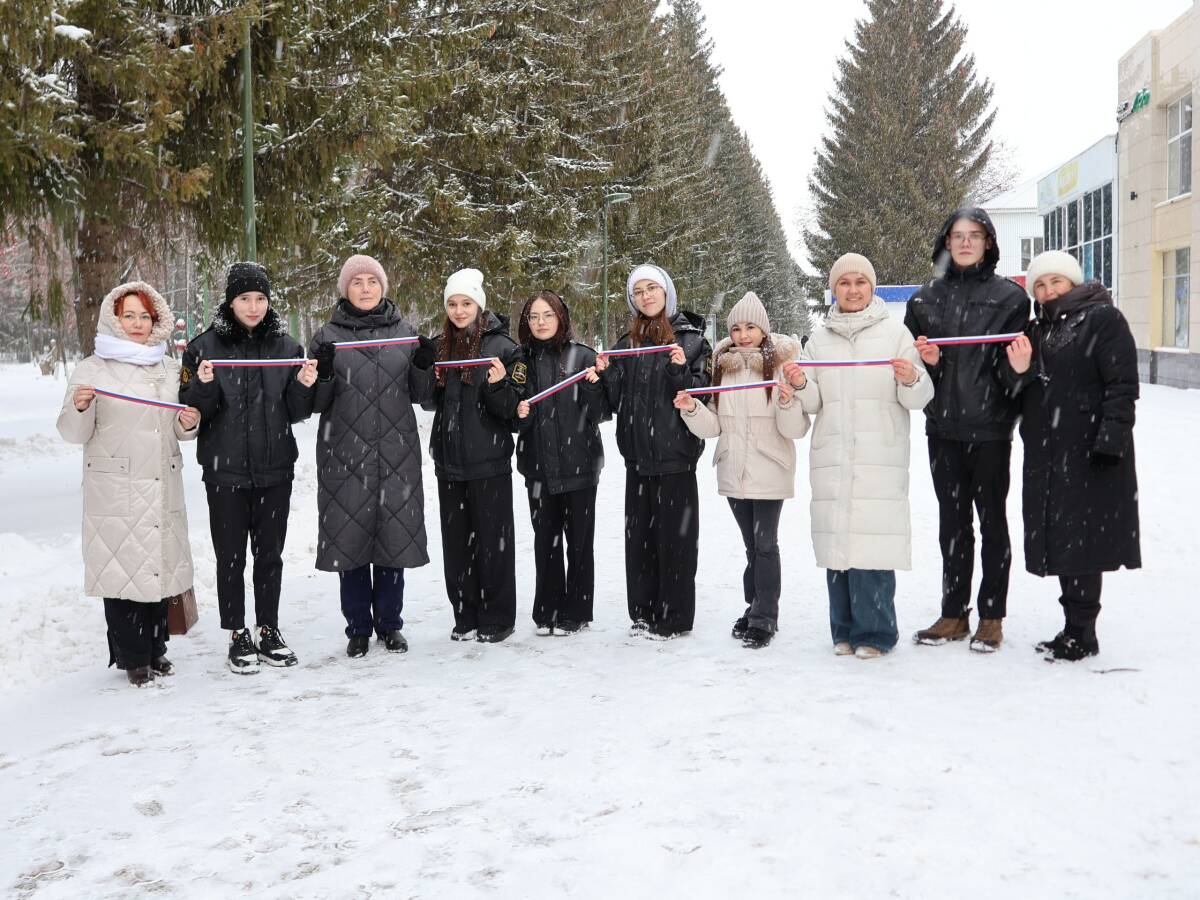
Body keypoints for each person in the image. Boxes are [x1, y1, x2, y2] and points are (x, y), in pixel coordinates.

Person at [783, 254, 933, 659]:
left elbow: (919, 397)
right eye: (844, 283)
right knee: (838, 546)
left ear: (872, 287)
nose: (852, 290)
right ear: (834, 289)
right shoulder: (819, 340)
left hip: (878, 453)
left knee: (872, 545)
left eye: (860, 282)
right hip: (833, 453)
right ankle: (844, 630)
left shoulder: (895, 334)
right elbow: (814, 402)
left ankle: (877, 633)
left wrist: (911, 377)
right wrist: (800, 382)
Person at [57, 281, 201, 686]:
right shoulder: (92, 368)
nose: (137, 324)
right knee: (122, 571)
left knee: (157, 568)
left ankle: (156, 648)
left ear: (156, 321)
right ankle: (132, 657)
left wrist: (188, 422)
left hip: (160, 480)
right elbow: (71, 431)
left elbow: (178, 426)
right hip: (116, 487)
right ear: (113, 319)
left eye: (145, 316)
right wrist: (80, 407)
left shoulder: (168, 366)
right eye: (129, 316)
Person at [180, 262, 318, 674]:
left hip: (275, 468)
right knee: (230, 556)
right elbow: (192, 410)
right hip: (225, 471)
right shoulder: (202, 348)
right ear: (230, 301)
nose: (254, 307)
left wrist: (304, 385)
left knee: (270, 555)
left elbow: (296, 411)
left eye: (260, 298)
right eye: (244, 298)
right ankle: (237, 632)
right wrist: (203, 386)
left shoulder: (287, 348)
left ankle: (268, 628)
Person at [1002, 251, 1140, 661]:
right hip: (1048, 454)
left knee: (1084, 543)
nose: (1048, 291)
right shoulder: (1035, 330)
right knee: (1062, 539)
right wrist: (1020, 368)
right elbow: (1016, 391)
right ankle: (1072, 628)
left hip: (1090, 452)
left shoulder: (1103, 320)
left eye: (1056, 282)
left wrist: (1110, 442)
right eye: (1040, 285)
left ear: (1073, 282)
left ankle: (1083, 632)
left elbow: (1122, 385)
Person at [904, 208, 1030, 652]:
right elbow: (913, 374)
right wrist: (931, 365)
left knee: (992, 523)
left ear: (988, 243)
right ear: (945, 242)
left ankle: (991, 615)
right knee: (952, 525)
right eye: (957, 235)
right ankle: (954, 613)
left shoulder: (1011, 299)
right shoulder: (923, 301)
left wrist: (1018, 369)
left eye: (974, 235)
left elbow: (1014, 377)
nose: (964, 242)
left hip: (991, 430)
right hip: (943, 430)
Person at [308, 255, 437, 658]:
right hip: (345, 455)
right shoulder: (327, 336)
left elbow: (424, 396)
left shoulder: (405, 333)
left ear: (383, 287)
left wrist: (423, 365)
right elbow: (315, 402)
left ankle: (390, 624)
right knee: (350, 542)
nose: (365, 288)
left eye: (372, 281)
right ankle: (358, 627)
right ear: (345, 289)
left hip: (396, 454)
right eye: (357, 281)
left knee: (392, 541)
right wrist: (323, 372)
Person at [673, 291, 808, 649]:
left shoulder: (781, 365)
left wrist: (787, 402)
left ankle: (765, 617)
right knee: (752, 546)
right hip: (734, 468)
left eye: (750, 327)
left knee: (765, 544)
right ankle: (754, 606)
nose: (743, 335)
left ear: (763, 329)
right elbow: (714, 424)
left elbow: (796, 429)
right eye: (736, 328)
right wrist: (691, 409)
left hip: (769, 467)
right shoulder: (724, 366)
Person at [594, 263, 711, 640]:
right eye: (638, 291)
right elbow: (614, 402)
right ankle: (643, 612)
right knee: (640, 541)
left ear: (666, 293)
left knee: (676, 542)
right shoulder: (625, 344)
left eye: (652, 289)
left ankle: (674, 615)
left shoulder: (691, 340)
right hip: (637, 459)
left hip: (675, 457)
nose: (645, 296)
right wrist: (605, 374)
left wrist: (679, 371)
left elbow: (702, 394)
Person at [424, 267, 522, 643]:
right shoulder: (441, 346)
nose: (459, 311)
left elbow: (513, 409)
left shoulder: (502, 348)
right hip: (449, 461)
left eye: (466, 303)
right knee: (457, 544)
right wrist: (427, 374)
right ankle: (465, 613)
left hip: (489, 460)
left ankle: (498, 616)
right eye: (452, 304)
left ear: (479, 305)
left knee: (493, 542)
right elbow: (428, 401)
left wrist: (498, 385)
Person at [514, 290, 609, 635]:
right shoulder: (520, 361)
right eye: (534, 316)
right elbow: (511, 413)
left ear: (561, 318)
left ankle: (577, 611)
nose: (541, 323)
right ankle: (547, 610)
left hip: (580, 465)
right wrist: (519, 412)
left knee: (580, 543)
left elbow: (601, 413)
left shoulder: (582, 356)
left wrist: (595, 387)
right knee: (546, 541)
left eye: (548, 315)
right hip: (538, 467)